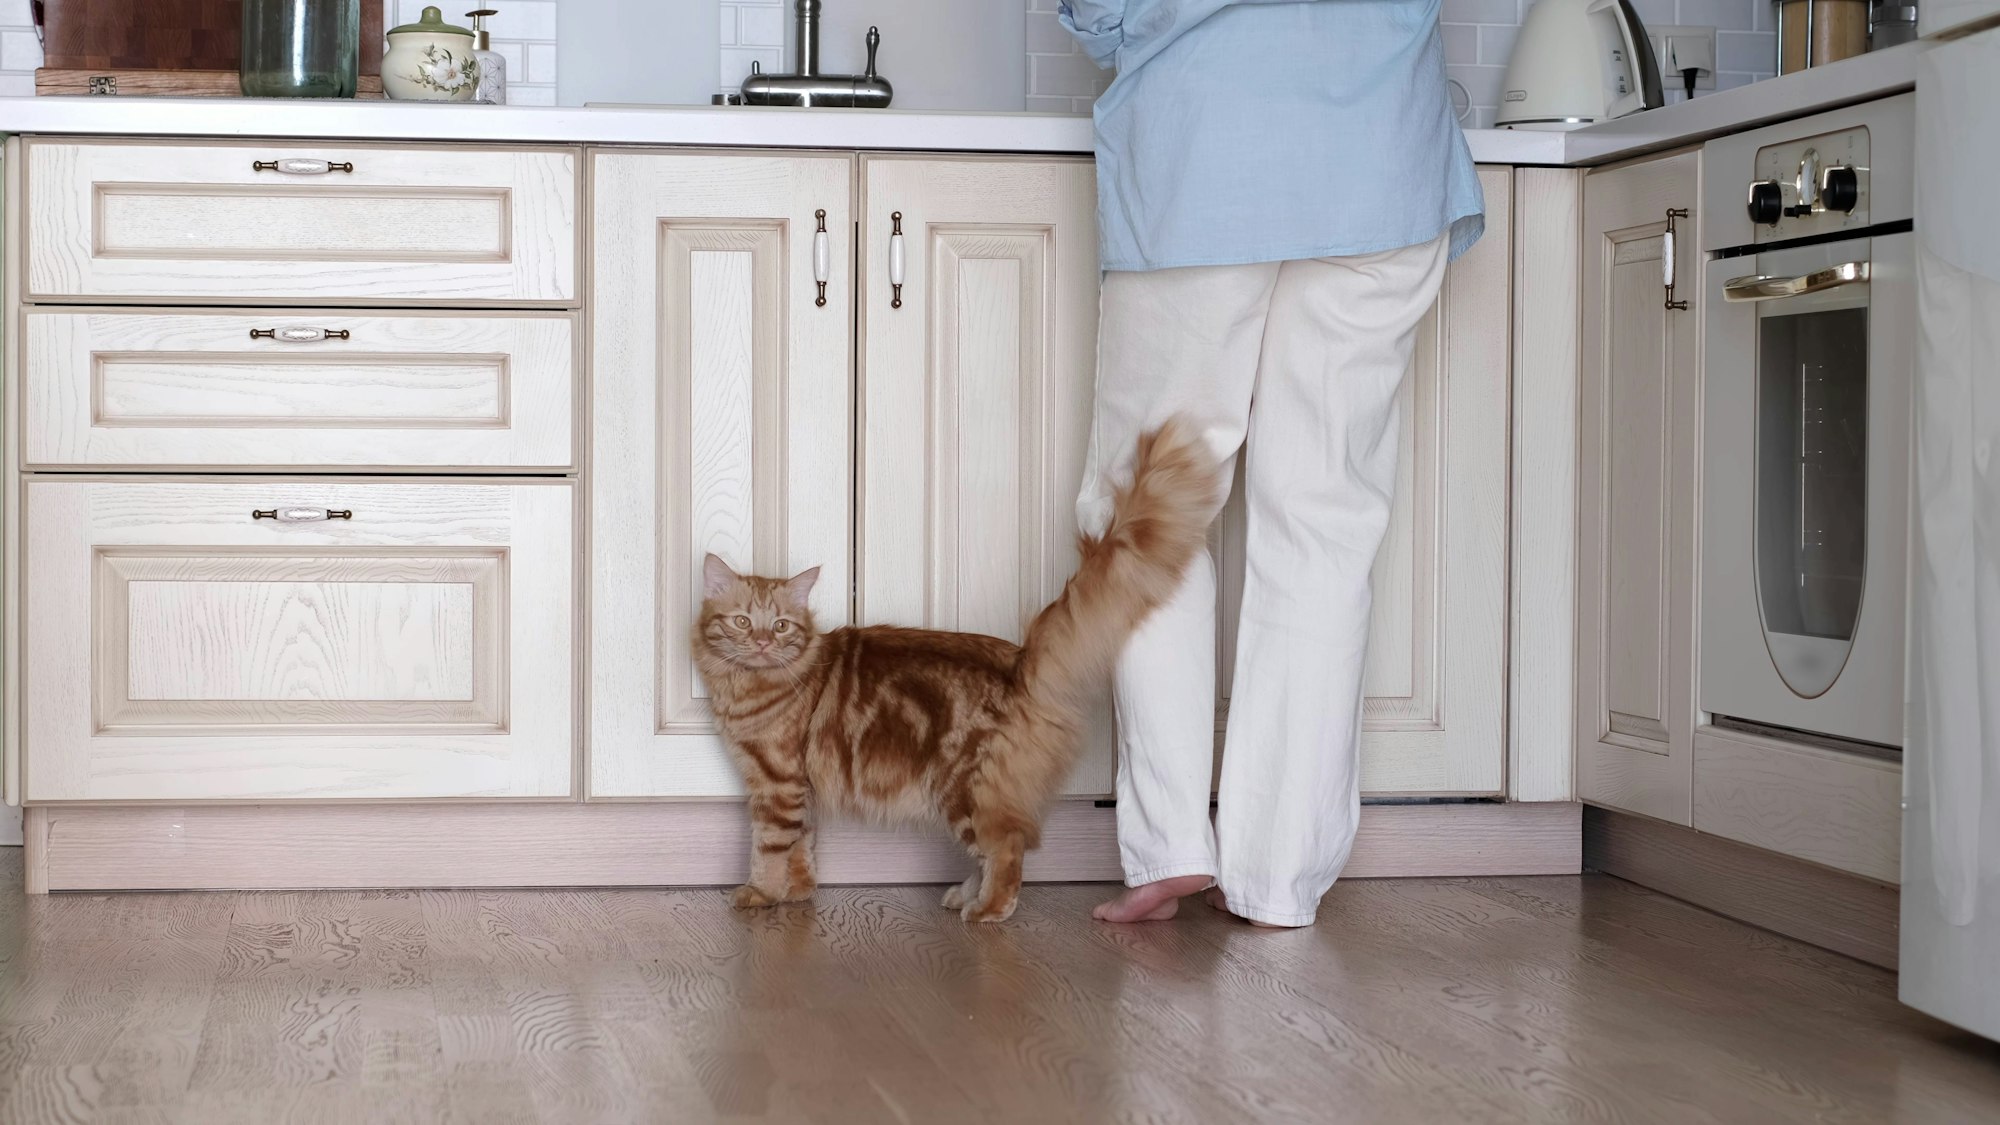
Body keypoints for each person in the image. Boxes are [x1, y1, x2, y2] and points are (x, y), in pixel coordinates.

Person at [1059, 0, 1484, 926]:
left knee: (1152, 508)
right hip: (1382, 154)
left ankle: (1170, 839)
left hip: (1204, 147)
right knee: (1323, 523)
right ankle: (1278, 876)